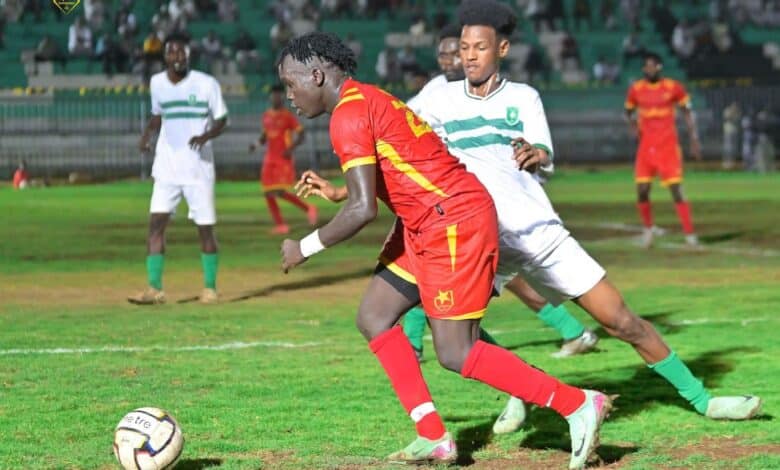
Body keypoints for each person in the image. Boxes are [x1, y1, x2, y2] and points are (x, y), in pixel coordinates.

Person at [300, 0, 761, 427]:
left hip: (536, 232)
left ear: (502, 49)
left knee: (620, 321)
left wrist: (536, 153)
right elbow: (389, 141)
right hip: (475, 234)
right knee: (445, 327)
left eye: (479, 47)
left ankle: (702, 399)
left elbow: (543, 150)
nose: (469, 56)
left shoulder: (524, 97)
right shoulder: (437, 98)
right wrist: (342, 190)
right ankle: (514, 395)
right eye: (464, 47)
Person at [277, 31, 612, 469]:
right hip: (424, 222)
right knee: (374, 317)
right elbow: (396, 170)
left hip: (452, 222)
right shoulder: (367, 99)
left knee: (456, 351)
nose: (290, 95)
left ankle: (577, 404)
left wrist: (303, 247)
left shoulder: (349, 115)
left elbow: (362, 210)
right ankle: (433, 436)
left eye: (291, 84)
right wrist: (342, 192)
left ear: (317, 75)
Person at [405, 21, 597, 372]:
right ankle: (571, 333)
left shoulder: (506, 95)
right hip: (456, 204)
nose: (452, 59)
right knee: (448, 278)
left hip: (501, 206)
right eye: (446, 53)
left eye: (458, 51)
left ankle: (417, 346)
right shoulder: (435, 93)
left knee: (443, 280)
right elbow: (402, 124)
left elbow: (533, 149)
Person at [128, 34, 228, 306]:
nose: (179, 57)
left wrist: (205, 136)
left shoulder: (206, 84)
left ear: (189, 55)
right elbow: (157, 115)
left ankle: (210, 288)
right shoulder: (157, 83)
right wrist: (146, 136)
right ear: (165, 56)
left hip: (198, 169)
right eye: (173, 52)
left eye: (183, 52)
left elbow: (222, 119)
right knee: (155, 225)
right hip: (167, 168)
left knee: (205, 229)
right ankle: (154, 289)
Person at [624, 52, 702, 248]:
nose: (649, 69)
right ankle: (648, 230)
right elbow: (628, 111)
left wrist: (694, 139)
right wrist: (632, 126)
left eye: (652, 66)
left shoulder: (673, 87)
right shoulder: (636, 89)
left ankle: (690, 234)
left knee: (676, 190)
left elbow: (687, 111)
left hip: (667, 147)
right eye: (646, 66)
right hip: (646, 147)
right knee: (642, 190)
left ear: (659, 67)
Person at [249, 84, 317, 235]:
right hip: (269, 158)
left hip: (282, 159)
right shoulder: (266, 116)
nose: (276, 98)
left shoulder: (287, 116)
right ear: (270, 97)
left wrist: (290, 149)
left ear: (282, 98)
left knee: (279, 191)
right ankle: (281, 225)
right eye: (273, 95)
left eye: (278, 95)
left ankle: (308, 209)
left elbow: (302, 134)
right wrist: (255, 145)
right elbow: (264, 136)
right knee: (268, 192)